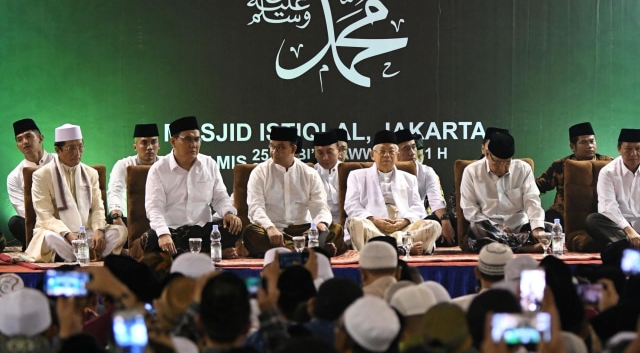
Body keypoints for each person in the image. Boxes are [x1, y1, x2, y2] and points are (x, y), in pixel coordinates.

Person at [24, 123, 126, 262]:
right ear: (58, 150)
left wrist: (99, 230)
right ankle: (88, 254)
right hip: (60, 235)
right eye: (70, 148)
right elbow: (45, 215)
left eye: (80, 146)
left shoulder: (91, 173)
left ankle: (75, 256)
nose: (77, 152)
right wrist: (68, 235)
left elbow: (97, 207)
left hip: (87, 233)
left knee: (119, 232)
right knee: (48, 238)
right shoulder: (42, 175)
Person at [142, 116, 241, 257]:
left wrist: (228, 213)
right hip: (173, 231)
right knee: (149, 240)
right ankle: (209, 254)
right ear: (173, 141)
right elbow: (154, 208)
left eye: (197, 139)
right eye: (187, 139)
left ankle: (189, 254)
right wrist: (163, 234)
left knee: (234, 227)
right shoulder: (158, 170)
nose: (193, 144)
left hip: (202, 230)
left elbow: (220, 197)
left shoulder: (209, 164)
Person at [243, 126, 342, 257]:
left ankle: (291, 251)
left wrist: (321, 223)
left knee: (336, 229)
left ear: (293, 149)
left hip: (304, 229)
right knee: (251, 232)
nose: (274, 152)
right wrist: (269, 227)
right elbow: (255, 208)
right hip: (274, 230)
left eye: (281, 147)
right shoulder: (259, 172)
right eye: (272, 146)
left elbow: (320, 205)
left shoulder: (309, 173)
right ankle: (310, 250)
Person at [344, 131, 441, 254]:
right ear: (372, 155)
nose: (387, 155)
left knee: (434, 225)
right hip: (373, 227)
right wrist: (374, 220)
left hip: (403, 228)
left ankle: (388, 247)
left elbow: (418, 207)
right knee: (355, 223)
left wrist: (404, 221)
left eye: (391, 152)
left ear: (397, 155)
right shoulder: (357, 176)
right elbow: (351, 205)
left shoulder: (409, 178)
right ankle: (402, 247)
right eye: (382, 151)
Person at [460, 130, 546, 251]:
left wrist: (538, 229)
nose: (502, 167)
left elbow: (532, 201)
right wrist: (497, 227)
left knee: (549, 229)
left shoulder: (523, 169)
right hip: (490, 227)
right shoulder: (471, 171)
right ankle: (522, 247)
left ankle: (513, 243)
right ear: (487, 154)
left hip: (519, 226)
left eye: (507, 162)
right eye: (497, 162)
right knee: (477, 228)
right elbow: (470, 209)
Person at [535, 121, 612, 226]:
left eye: (592, 141)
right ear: (572, 146)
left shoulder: (608, 163)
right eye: (583, 142)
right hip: (562, 212)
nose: (590, 146)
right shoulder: (561, 165)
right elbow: (537, 187)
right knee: (546, 224)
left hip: (597, 212)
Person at [396, 128, 456, 245]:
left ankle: (410, 242)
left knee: (446, 222)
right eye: (406, 148)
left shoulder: (426, 172)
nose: (412, 152)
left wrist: (445, 220)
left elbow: (436, 200)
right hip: (395, 221)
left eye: (413, 147)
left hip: (419, 222)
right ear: (396, 154)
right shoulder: (387, 171)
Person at [586, 128, 640, 250]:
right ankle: (627, 243)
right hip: (618, 225)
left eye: (638, 149)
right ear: (619, 149)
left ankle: (621, 246)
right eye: (628, 149)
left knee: (612, 246)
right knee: (592, 220)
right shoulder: (608, 172)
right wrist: (629, 231)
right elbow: (608, 207)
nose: (634, 154)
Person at [6, 118, 54, 250]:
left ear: (40, 137)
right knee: (15, 222)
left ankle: (38, 247)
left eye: (28, 136)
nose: (25, 142)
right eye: (19, 139)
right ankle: (42, 245)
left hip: (66, 217)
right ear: (17, 145)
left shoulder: (59, 162)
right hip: (38, 224)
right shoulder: (14, 176)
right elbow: (25, 212)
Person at [107, 123, 161, 224]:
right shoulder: (123, 165)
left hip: (159, 219)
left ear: (159, 145)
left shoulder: (165, 165)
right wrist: (116, 216)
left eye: (153, 142)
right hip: (129, 219)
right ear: (135, 147)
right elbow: (115, 191)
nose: (150, 147)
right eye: (144, 143)